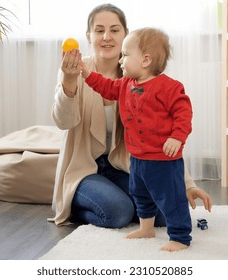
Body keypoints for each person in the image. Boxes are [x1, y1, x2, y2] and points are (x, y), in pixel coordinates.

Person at [49, 4, 212, 235]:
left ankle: (127, 204)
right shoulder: (76, 69)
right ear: (89, 36)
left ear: (126, 34)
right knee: (118, 212)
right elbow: (64, 121)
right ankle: (74, 207)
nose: (107, 37)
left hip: (123, 166)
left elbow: (163, 131)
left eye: (115, 30)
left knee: (165, 214)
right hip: (85, 168)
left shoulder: (136, 77)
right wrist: (70, 79)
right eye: (99, 30)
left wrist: (187, 185)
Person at [79, 27, 193, 252]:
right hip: (137, 158)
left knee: (171, 198)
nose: (121, 60)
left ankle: (180, 236)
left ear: (145, 60)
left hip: (163, 160)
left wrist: (177, 138)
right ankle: (146, 228)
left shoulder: (169, 87)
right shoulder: (124, 85)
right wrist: (86, 74)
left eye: (125, 55)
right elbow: (106, 87)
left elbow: (184, 113)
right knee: (141, 195)